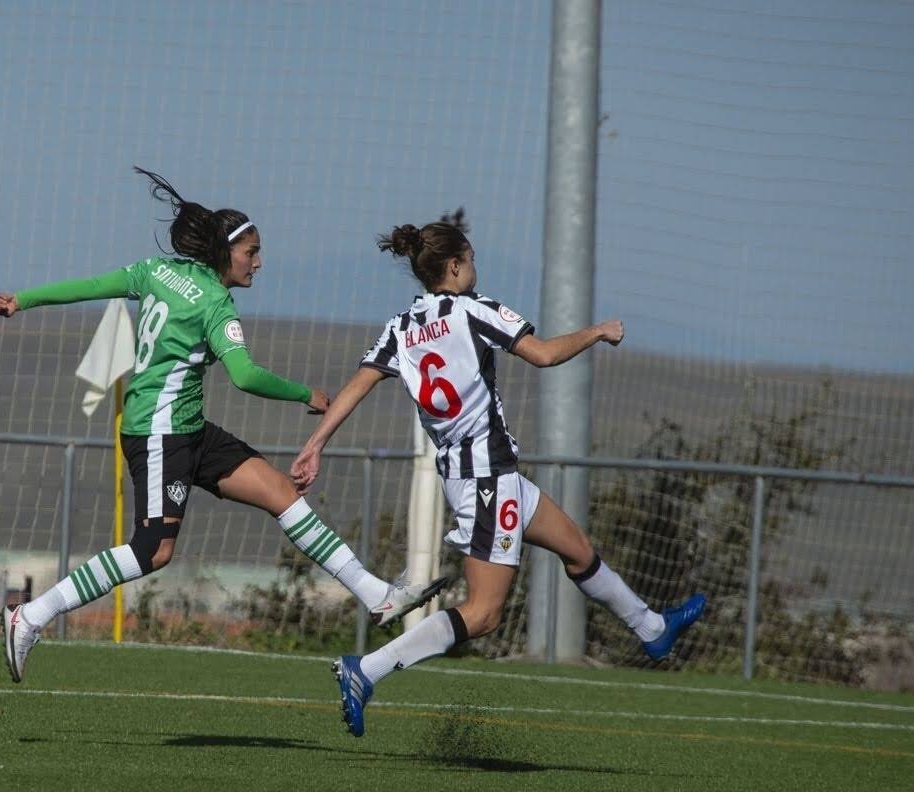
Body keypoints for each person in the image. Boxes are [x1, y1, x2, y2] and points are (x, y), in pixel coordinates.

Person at [0, 167, 445, 683]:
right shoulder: (214, 304)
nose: (259, 262)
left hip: (188, 428)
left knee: (281, 493)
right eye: (252, 252)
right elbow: (246, 376)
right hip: (159, 433)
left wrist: (23, 300)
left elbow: (94, 285)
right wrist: (308, 394)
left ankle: (376, 596)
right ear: (226, 253)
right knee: (153, 551)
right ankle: (30, 616)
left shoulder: (156, 271)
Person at [290, 213, 706, 737]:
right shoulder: (473, 311)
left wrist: (314, 443)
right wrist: (598, 331)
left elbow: (357, 384)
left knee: (576, 547)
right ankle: (365, 670)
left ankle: (652, 628)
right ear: (456, 265)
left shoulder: (402, 326)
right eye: (472, 262)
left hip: (487, 476)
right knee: (484, 615)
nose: (476, 270)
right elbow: (545, 354)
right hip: (485, 479)